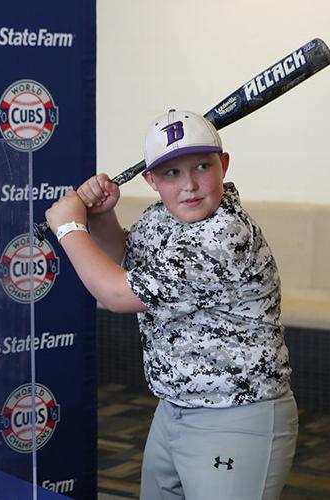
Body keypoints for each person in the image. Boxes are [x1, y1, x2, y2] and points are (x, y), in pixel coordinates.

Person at [45, 109, 298, 499]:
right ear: (150, 180)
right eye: (171, 173)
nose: (191, 186)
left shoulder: (223, 235)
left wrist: (69, 227)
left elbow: (116, 295)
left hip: (236, 415)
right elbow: (126, 266)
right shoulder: (161, 217)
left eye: (202, 166)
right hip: (173, 408)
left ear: (224, 165)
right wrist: (102, 218)